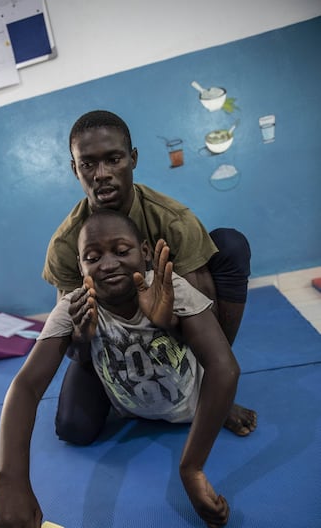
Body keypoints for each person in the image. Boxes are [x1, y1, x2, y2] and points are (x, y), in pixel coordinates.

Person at [0, 209, 240, 528]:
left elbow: (225, 368)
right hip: (129, 407)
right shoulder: (74, 305)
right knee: (72, 426)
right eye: (93, 257)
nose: (108, 264)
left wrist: (191, 467)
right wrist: (10, 479)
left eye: (121, 251)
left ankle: (224, 409)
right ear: (80, 265)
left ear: (144, 252)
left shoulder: (169, 288)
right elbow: (26, 386)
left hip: (189, 406)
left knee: (214, 385)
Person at [43, 110, 257, 442]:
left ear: (133, 158)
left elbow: (207, 316)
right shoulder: (66, 244)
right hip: (109, 341)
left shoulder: (172, 221)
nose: (101, 174)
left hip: (171, 327)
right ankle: (127, 392)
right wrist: (83, 337)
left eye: (113, 159)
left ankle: (211, 391)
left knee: (230, 244)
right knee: (73, 428)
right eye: (88, 165)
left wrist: (166, 318)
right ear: (75, 169)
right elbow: (72, 346)